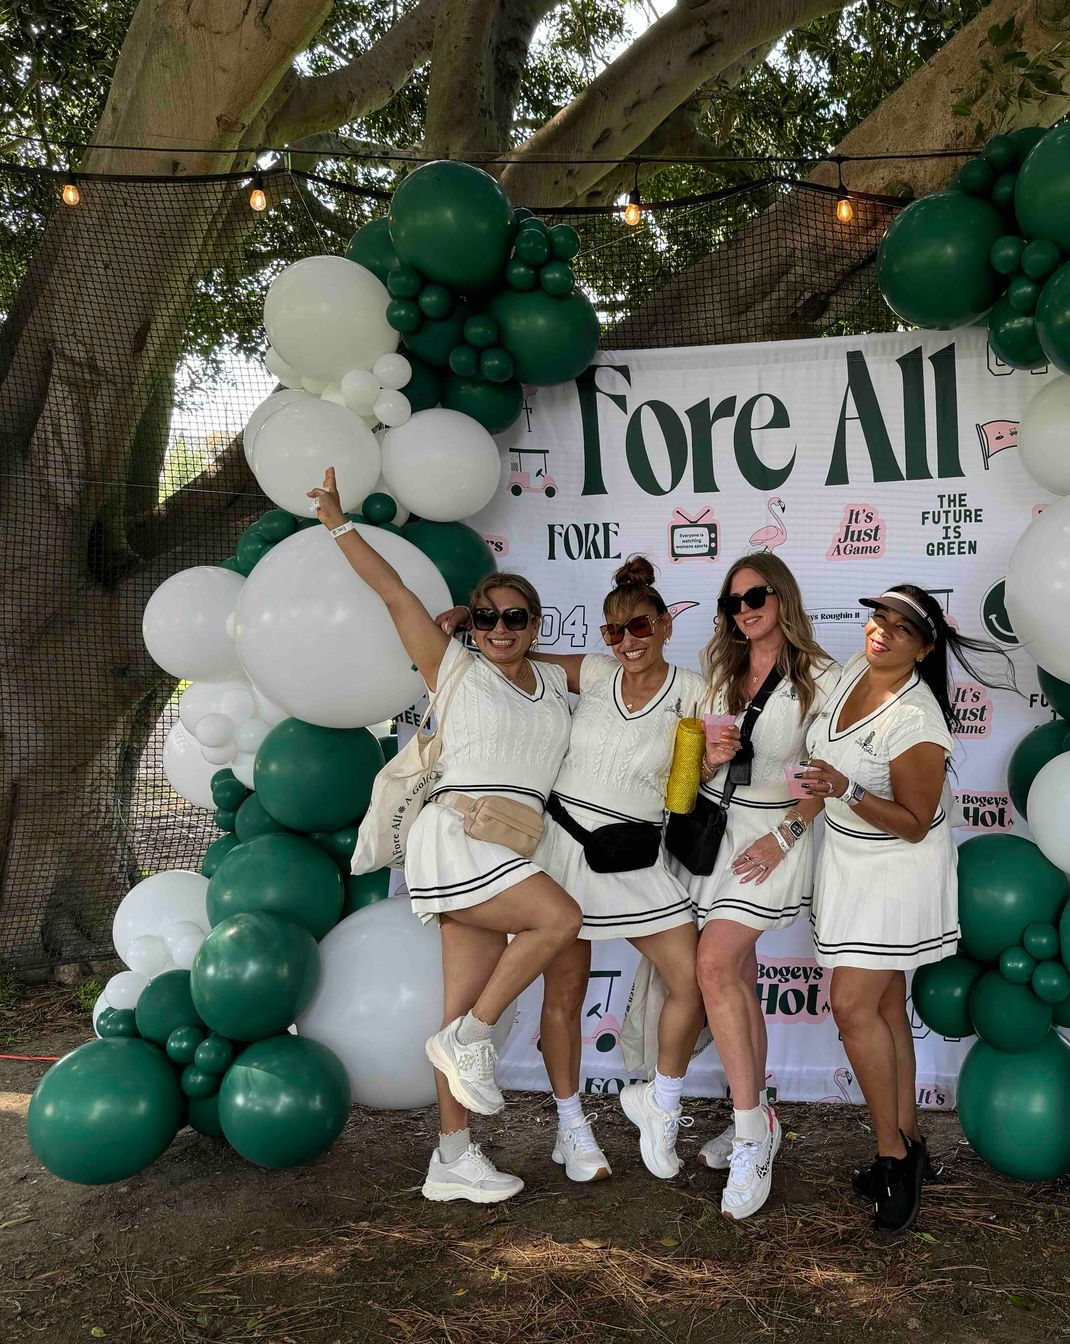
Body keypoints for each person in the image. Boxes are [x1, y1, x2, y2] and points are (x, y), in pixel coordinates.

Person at [308, 467, 583, 1208]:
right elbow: (394, 592)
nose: (500, 629)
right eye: (487, 616)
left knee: (458, 1010)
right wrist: (338, 522)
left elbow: (634, 673)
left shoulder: (555, 682)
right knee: (558, 920)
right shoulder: (452, 668)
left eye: (515, 618)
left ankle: (452, 1158)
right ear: (470, 621)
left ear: (535, 624)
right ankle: (470, 1043)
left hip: (516, 839)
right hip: (459, 830)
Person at [798, 584, 1013, 1232]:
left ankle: (892, 1158)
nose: (881, 632)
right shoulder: (848, 672)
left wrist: (845, 786)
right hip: (847, 859)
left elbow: (916, 822)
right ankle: (911, 1142)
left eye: (900, 628)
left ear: (923, 648)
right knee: (886, 1005)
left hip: (896, 869)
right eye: (877, 617)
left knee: (852, 1005)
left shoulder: (917, 718)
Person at [521, 557, 710, 1184]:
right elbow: (517, 655)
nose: (627, 641)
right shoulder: (596, 672)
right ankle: (571, 1125)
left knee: (695, 979)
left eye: (639, 627)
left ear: (664, 625)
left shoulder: (693, 691)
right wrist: (468, 621)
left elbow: (687, 789)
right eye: (612, 630)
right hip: (566, 846)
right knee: (565, 995)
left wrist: (712, 761)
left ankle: (660, 1098)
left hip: (632, 854)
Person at [686, 554, 839, 1221]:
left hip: (774, 839)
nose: (743, 610)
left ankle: (751, 1137)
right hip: (717, 832)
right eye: (732, 603)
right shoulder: (719, 672)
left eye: (755, 596)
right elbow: (686, 766)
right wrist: (703, 758)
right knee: (737, 980)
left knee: (714, 965)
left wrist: (785, 837)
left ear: (783, 596)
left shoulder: (822, 677)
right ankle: (756, 1117)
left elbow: (828, 778)